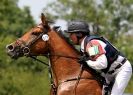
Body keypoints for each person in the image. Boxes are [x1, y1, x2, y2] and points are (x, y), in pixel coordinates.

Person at [66, 20, 132, 95]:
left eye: (71, 34)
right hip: (108, 73)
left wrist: (87, 61)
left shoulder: (92, 44)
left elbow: (102, 64)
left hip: (121, 70)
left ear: (79, 34)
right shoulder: (84, 46)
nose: (69, 37)